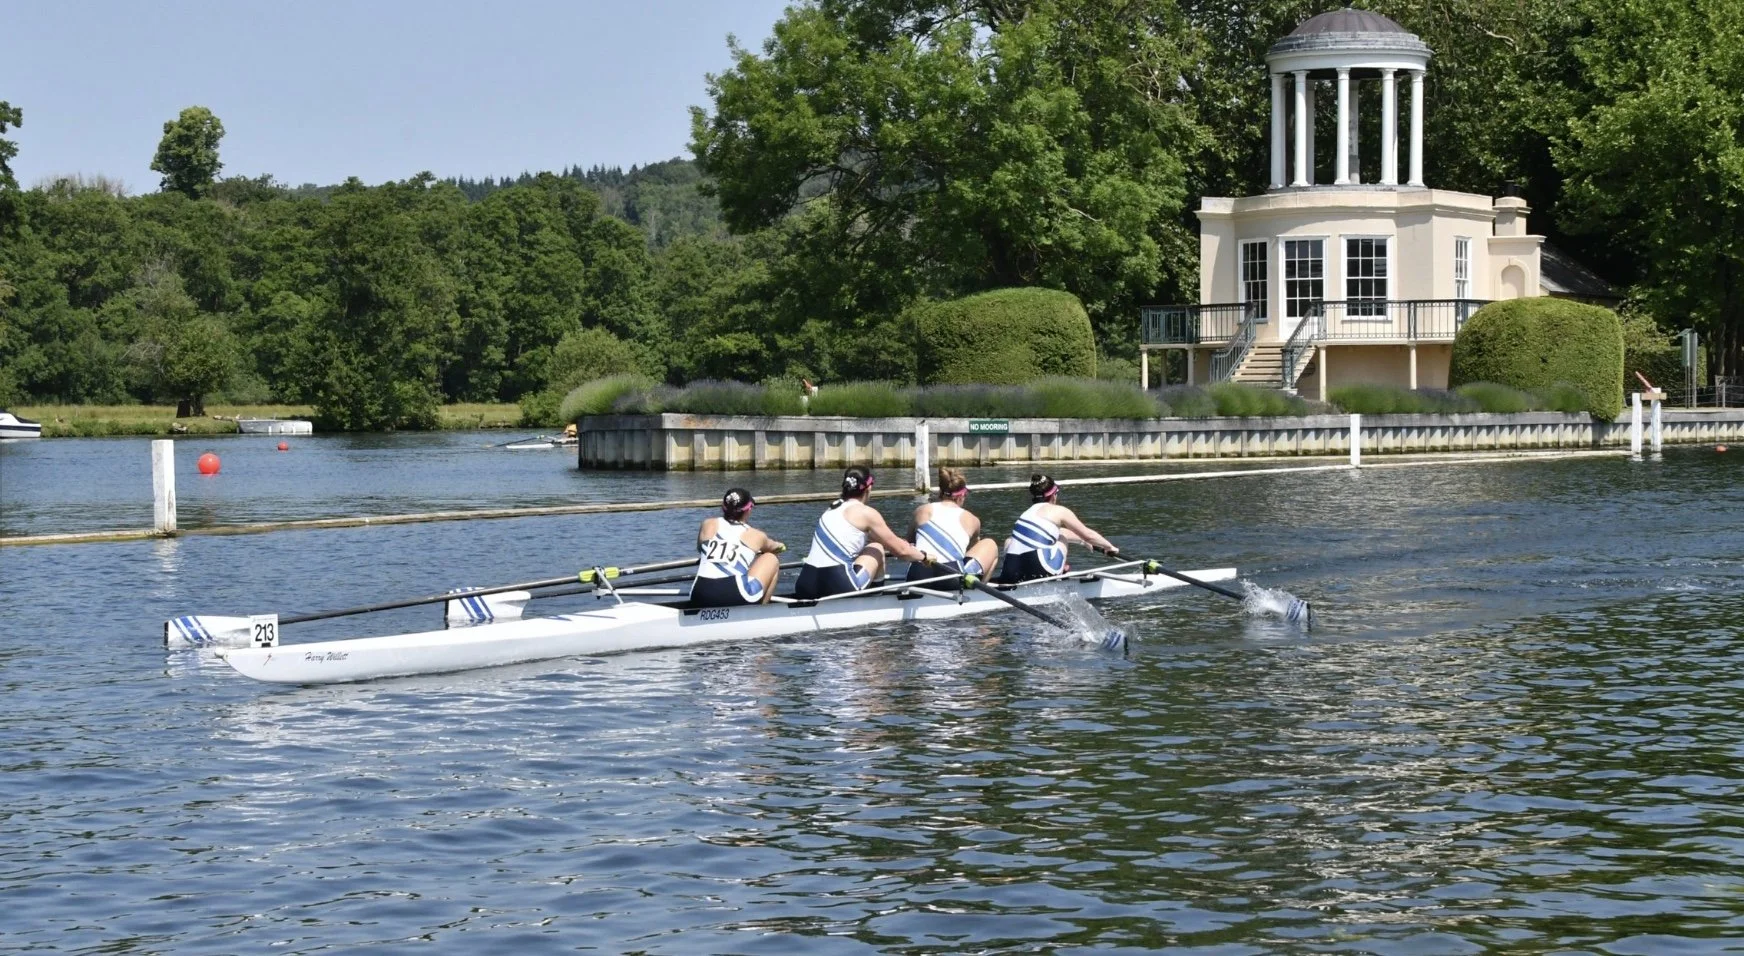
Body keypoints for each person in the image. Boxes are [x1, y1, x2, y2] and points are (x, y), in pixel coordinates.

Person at [795, 466, 933, 599]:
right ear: (869, 487)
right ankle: (875, 601)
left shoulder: (832, 508)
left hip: (805, 583)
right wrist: (924, 557)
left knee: (871, 545)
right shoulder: (866, 513)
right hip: (838, 585)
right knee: (876, 548)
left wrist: (897, 543)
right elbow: (902, 551)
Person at [994, 473, 1119, 584]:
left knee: (1009, 541)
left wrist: (1084, 542)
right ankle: (1058, 571)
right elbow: (1088, 534)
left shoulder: (1025, 514)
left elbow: (1066, 533)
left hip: (1010, 572)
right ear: (1054, 495)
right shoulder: (1059, 511)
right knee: (1062, 539)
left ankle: (1055, 567)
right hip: (1040, 569)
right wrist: (1109, 547)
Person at [904, 466, 1000, 586]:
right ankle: (977, 594)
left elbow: (908, 543)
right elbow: (970, 552)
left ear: (941, 492)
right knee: (990, 544)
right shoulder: (972, 520)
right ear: (961, 495)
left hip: (917, 575)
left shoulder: (921, 511)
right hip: (951, 577)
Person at [690, 488, 786, 607]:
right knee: (771, 558)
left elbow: (700, 549)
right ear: (748, 510)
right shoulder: (756, 535)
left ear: (723, 507)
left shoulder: (707, 524)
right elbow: (774, 547)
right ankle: (760, 613)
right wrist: (781, 546)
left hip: (699, 594)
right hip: (735, 595)